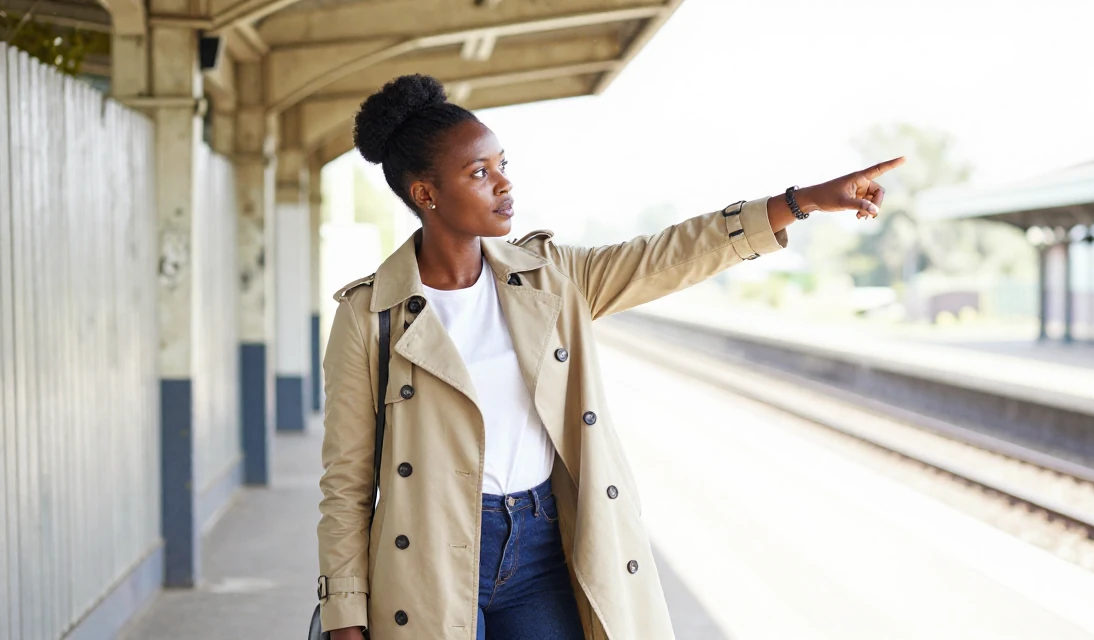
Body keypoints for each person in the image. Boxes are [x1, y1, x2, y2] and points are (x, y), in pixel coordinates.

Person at [316, 73, 903, 640]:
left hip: (544, 546)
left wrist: (800, 203)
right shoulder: (370, 317)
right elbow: (345, 481)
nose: (504, 184)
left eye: (502, 166)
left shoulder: (552, 279)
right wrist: (344, 610)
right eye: (479, 172)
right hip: (426, 560)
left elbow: (665, 255)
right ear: (426, 194)